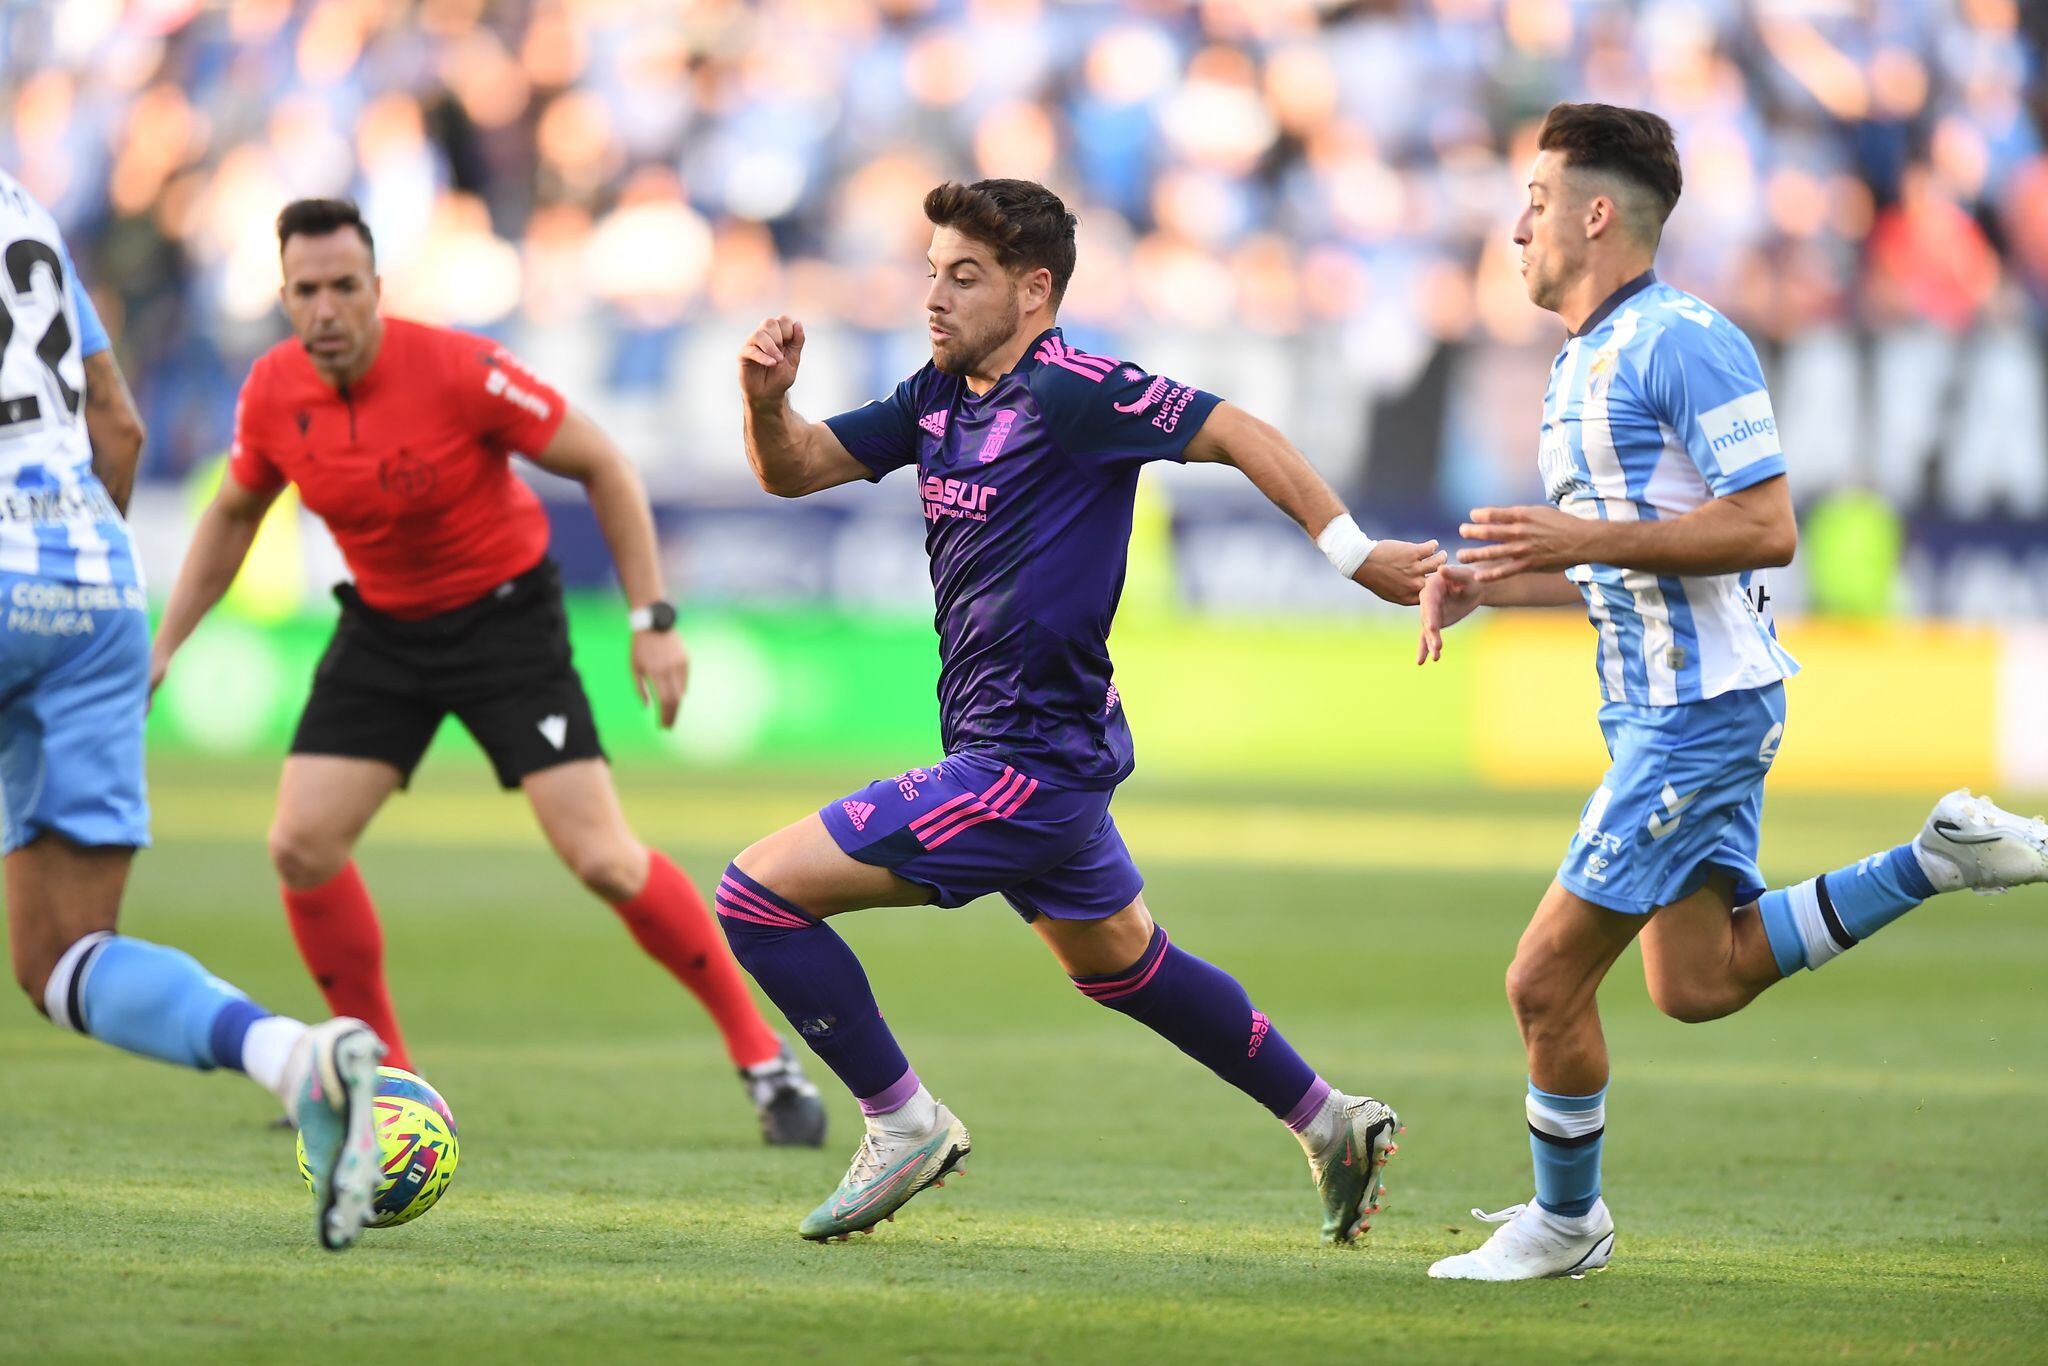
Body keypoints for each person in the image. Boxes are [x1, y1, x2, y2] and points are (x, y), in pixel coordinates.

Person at [727, 178, 1446, 1242]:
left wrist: (1352, 554)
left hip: (1022, 765)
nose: (935, 296)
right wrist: (764, 401)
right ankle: (1328, 1119)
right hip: (1032, 751)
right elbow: (794, 472)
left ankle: (901, 1120)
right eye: (931, 272)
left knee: (756, 896)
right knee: (1122, 963)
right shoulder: (934, 395)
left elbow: (1236, 428)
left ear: (1033, 288)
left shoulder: (1074, 390)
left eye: (962, 277)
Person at [1418, 103, 2048, 1281]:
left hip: (1695, 715)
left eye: (1538, 201)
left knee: (1541, 979)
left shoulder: (1680, 338)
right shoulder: (1577, 363)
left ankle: (1566, 1223)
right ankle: (1936, 854)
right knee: (1695, 980)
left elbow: (1765, 527)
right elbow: (1617, 561)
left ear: (1596, 214)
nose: (1516, 227)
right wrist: (1499, 585)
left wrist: (1571, 535)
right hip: (1655, 708)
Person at [151, 199, 825, 1146]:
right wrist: (165, 642)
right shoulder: (270, 394)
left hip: (506, 625)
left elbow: (605, 465)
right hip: (384, 630)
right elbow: (230, 516)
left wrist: (652, 620)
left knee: (602, 856)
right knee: (300, 845)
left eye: (346, 287)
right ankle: (384, 1078)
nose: (328, 309)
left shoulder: (459, 369)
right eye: (307, 291)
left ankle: (765, 1061)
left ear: (377, 289)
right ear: (285, 298)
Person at [1, 169, 386, 1249]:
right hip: (92, 589)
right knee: (64, 955)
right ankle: (294, 1056)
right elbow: (115, 426)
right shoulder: (24, 209)